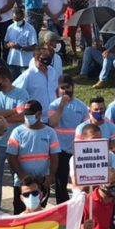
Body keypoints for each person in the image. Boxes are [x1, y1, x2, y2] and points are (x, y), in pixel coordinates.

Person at [0, 66, 29, 214]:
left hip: (17, 145)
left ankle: (20, 211)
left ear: (7, 80)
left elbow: (22, 116)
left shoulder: (21, 94)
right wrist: (11, 111)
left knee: (20, 178)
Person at [6, 100, 59, 214]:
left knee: (40, 215)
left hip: (42, 182)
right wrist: (22, 175)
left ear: (39, 114)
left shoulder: (50, 133)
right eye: (25, 114)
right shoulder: (17, 132)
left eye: (30, 114)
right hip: (23, 184)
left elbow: (54, 156)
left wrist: (51, 176)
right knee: (21, 214)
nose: (27, 117)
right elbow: (11, 156)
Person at [48, 74, 89, 204]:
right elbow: (52, 123)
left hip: (76, 149)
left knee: (79, 181)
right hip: (59, 149)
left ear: (73, 87)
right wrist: (61, 106)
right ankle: (62, 208)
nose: (65, 90)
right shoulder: (53, 106)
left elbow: (87, 128)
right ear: (58, 89)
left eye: (68, 87)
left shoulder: (81, 106)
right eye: (62, 88)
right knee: (61, 182)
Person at [13, 48, 59, 123]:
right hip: (36, 119)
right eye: (42, 63)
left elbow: (56, 89)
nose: (45, 66)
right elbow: (15, 92)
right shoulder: (28, 75)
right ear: (35, 59)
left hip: (52, 116)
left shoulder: (52, 71)